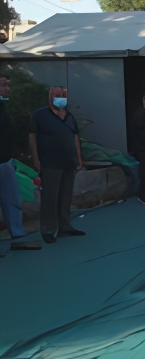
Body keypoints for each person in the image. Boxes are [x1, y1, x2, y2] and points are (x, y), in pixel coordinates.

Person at [28, 86, 86, 244]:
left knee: (65, 197)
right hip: (50, 163)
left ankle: (64, 226)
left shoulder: (69, 117)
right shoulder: (39, 115)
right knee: (50, 198)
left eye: (62, 95)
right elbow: (32, 136)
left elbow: (75, 138)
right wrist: (36, 159)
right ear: (49, 97)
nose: (59, 97)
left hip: (69, 162)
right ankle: (48, 230)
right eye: (56, 95)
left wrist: (79, 159)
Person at [0, 101, 40, 251]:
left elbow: (7, 131)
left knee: (12, 199)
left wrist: (15, 153)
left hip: (5, 161)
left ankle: (18, 235)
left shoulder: (1, 107)